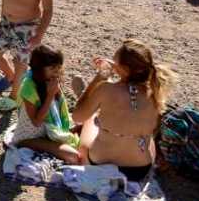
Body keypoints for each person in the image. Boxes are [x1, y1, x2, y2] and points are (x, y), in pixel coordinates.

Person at [73, 40, 175, 182]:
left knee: (91, 118)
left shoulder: (106, 89)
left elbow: (77, 117)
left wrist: (99, 78)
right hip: (139, 170)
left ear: (125, 69)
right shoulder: (155, 93)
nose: (112, 64)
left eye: (114, 62)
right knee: (143, 134)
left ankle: (83, 95)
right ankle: (93, 104)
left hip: (100, 163)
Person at [9, 45, 80, 164]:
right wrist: (50, 95)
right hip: (30, 138)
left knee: (86, 123)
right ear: (39, 68)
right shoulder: (29, 87)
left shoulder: (50, 79)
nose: (57, 72)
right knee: (73, 156)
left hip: (48, 131)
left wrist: (54, 92)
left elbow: (59, 108)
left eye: (59, 67)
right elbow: (36, 122)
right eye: (52, 68)